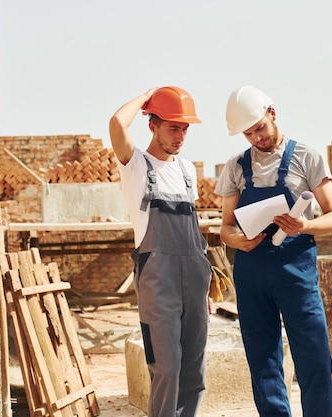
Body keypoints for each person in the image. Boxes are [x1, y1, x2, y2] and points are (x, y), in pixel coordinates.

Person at [214, 85, 332, 417]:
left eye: (260, 128)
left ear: (272, 114)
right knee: (263, 360)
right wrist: (236, 240)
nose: (257, 138)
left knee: (313, 357)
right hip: (251, 271)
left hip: (295, 271)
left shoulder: (308, 157)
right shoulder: (236, 167)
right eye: (248, 134)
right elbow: (225, 228)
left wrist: (304, 226)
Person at [109, 86, 213, 417]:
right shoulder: (136, 165)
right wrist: (146, 96)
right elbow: (116, 124)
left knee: (193, 372)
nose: (180, 135)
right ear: (152, 124)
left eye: (184, 128)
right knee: (166, 368)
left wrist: (207, 287)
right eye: (173, 126)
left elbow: (194, 232)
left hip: (194, 280)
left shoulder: (187, 172)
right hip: (158, 282)